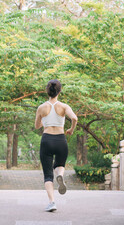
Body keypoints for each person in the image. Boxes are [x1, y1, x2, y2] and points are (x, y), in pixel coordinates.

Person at [34, 79, 78, 212]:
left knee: (48, 175)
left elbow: (37, 126)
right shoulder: (64, 106)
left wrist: (44, 122)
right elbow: (75, 118)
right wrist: (71, 129)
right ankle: (61, 175)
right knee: (60, 165)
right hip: (60, 139)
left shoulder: (41, 107)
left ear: (47, 91)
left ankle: (52, 202)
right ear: (59, 91)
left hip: (47, 139)